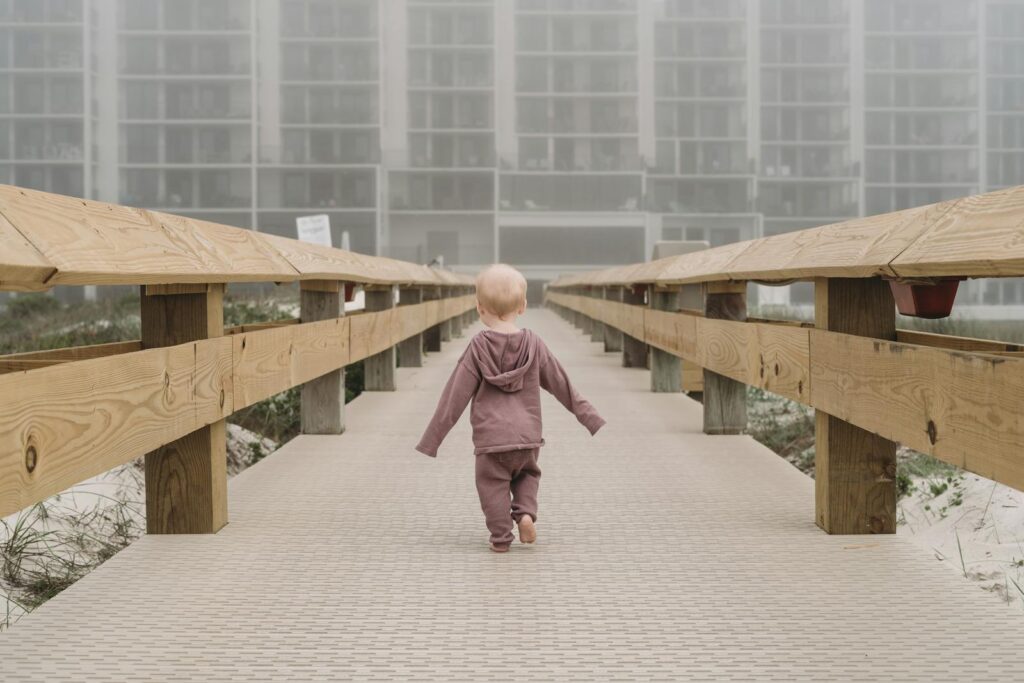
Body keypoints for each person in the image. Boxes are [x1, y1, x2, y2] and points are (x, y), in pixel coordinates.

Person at [416, 264, 605, 553]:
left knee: (492, 485)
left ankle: (501, 537)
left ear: (479, 308)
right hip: (527, 437)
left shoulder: (478, 348)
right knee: (528, 476)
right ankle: (525, 514)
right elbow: (560, 383)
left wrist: (432, 439)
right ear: (523, 306)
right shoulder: (534, 344)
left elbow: (454, 396)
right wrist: (588, 416)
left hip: (491, 441)